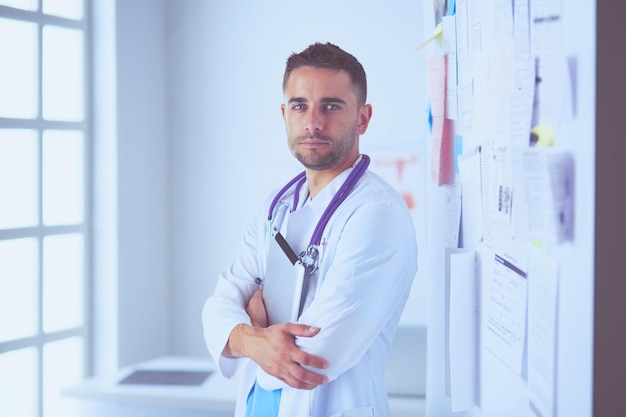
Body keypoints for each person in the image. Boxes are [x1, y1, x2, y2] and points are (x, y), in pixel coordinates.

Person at [202, 42, 418, 417]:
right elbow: (216, 309)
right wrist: (255, 338)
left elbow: (310, 359)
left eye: (331, 106)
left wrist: (247, 329)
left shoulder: (378, 215)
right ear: (284, 114)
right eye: (300, 106)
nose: (313, 122)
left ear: (363, 118)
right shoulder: (276, 207)